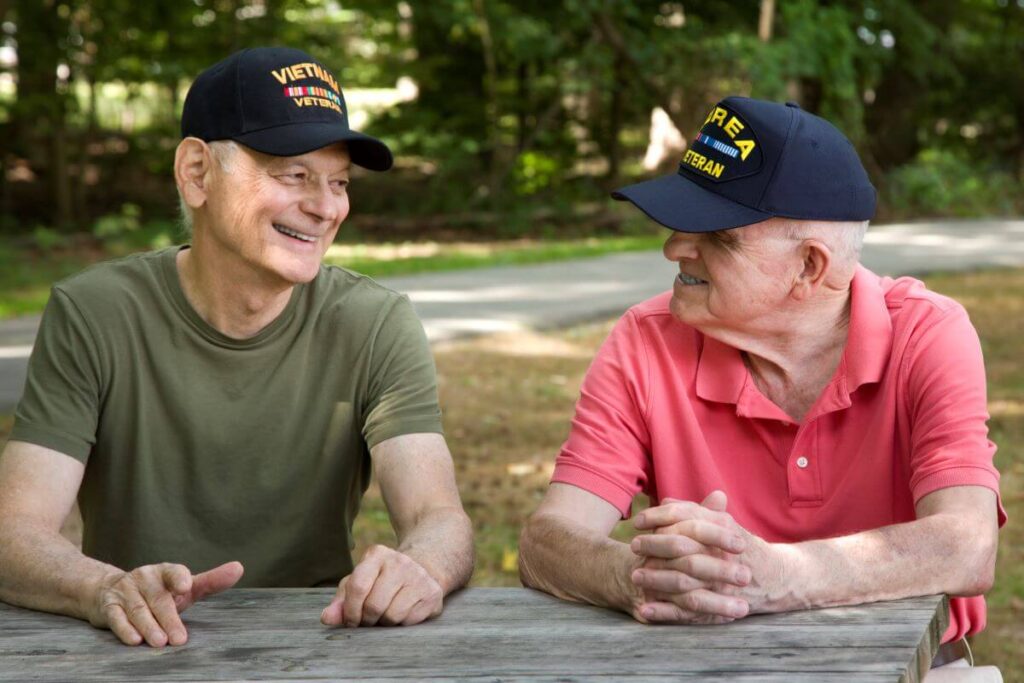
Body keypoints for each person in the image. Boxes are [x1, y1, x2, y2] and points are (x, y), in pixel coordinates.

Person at [0, 47, 474, 648]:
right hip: (137, 647)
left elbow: (439, 517)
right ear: (196, 172)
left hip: (316, 644)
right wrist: (106, 588)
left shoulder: (375, 323)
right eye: (293, 174)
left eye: (338, 183)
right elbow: (13, 533)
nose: (326, 207)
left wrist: (422, 567)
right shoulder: (94, 313)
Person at [519, 97, 1004, 679]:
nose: (674, 248)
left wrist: (776, 574)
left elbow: (966, 545)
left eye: (715, 237)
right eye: (678, 225)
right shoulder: (644, 340)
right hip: (705, 668)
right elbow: (548, 541)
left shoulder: (927, 332)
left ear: (809, 266)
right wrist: (640, 578)